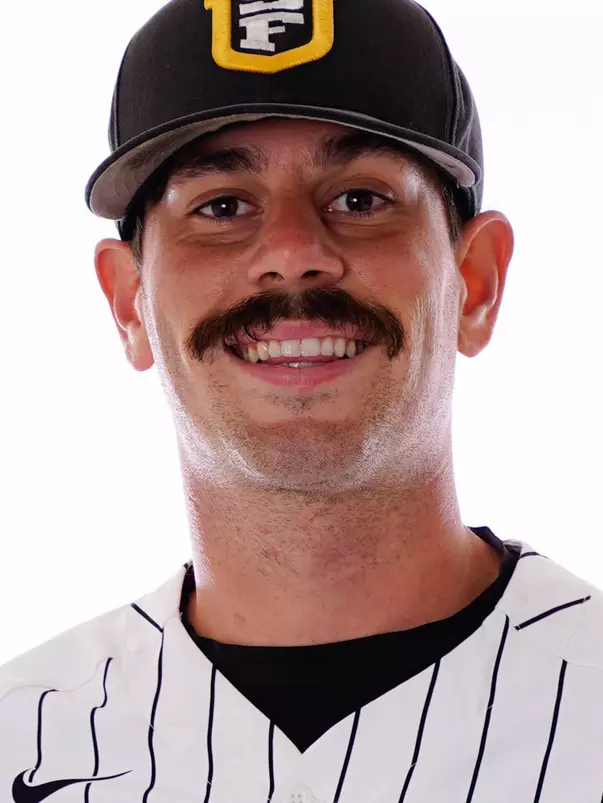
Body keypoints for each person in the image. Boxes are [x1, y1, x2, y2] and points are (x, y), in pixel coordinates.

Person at [1, 1, 602, 801]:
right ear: (128, 302)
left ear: (476, 284)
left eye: (359, 199)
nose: (291, 253)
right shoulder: (21, 744)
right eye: (221, 206)